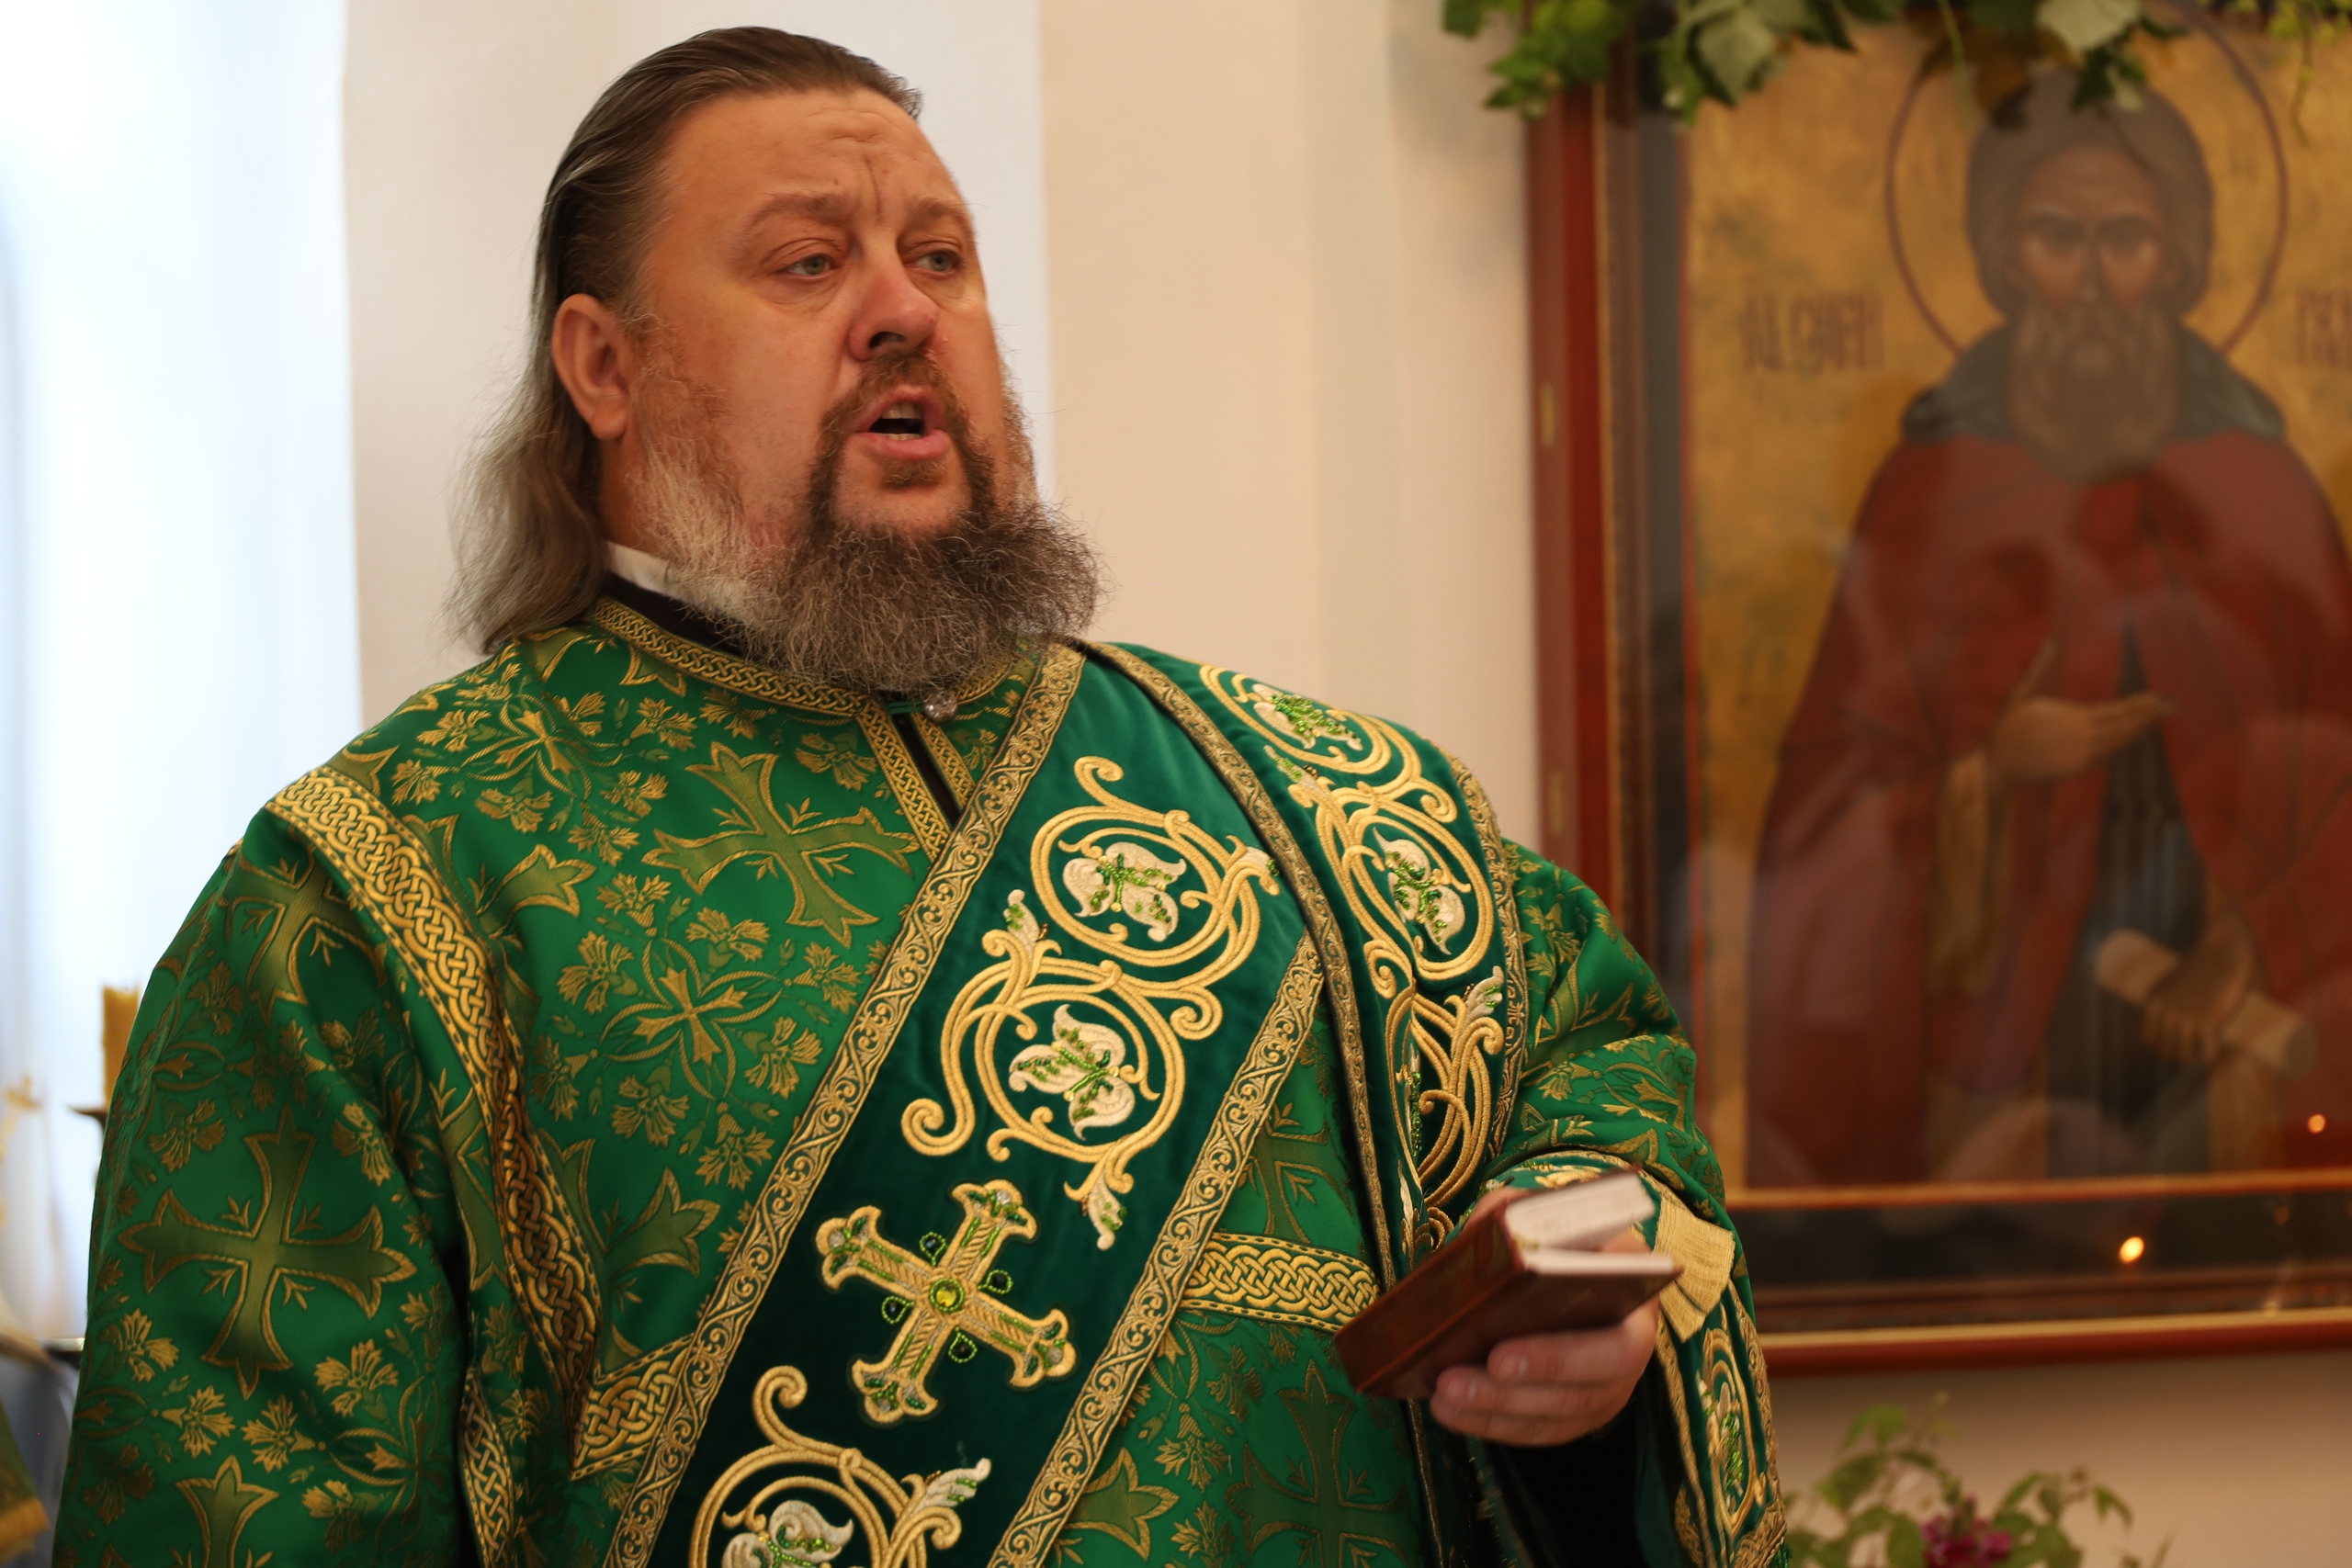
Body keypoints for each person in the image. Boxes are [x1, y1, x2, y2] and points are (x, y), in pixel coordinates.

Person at [54, 30, 1780, 1568]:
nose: (905, 309)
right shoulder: (378, 893)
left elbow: (1590, 1060)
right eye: (809, 261)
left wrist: (1586, 1290)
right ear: (604, 369)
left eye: (940, 255)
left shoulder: (1326, 798)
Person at [1748, 72, 2352, 1186]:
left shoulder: (2259, 491)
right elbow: (1830, 798)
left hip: (2223, 1006)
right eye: (2055, 239)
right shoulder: (1932, 493)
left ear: (2175, 259)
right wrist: (1985, 771)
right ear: (2003, 256)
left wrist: (2243, 944)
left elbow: (2336, 778)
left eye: (2124, 240)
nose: (2090, 281)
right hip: (2002, 1016)